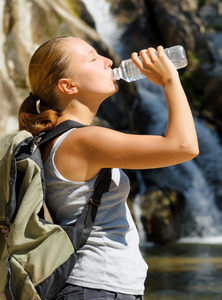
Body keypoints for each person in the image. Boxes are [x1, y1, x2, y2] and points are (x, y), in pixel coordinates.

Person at [9, 36, 199, 299]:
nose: (108, 60)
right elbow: (184, 147)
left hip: (97, 287)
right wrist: (169, 80)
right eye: (93, 58)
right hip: (98, 287)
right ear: (68, 86)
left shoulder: (55, 139)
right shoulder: (83, 140)